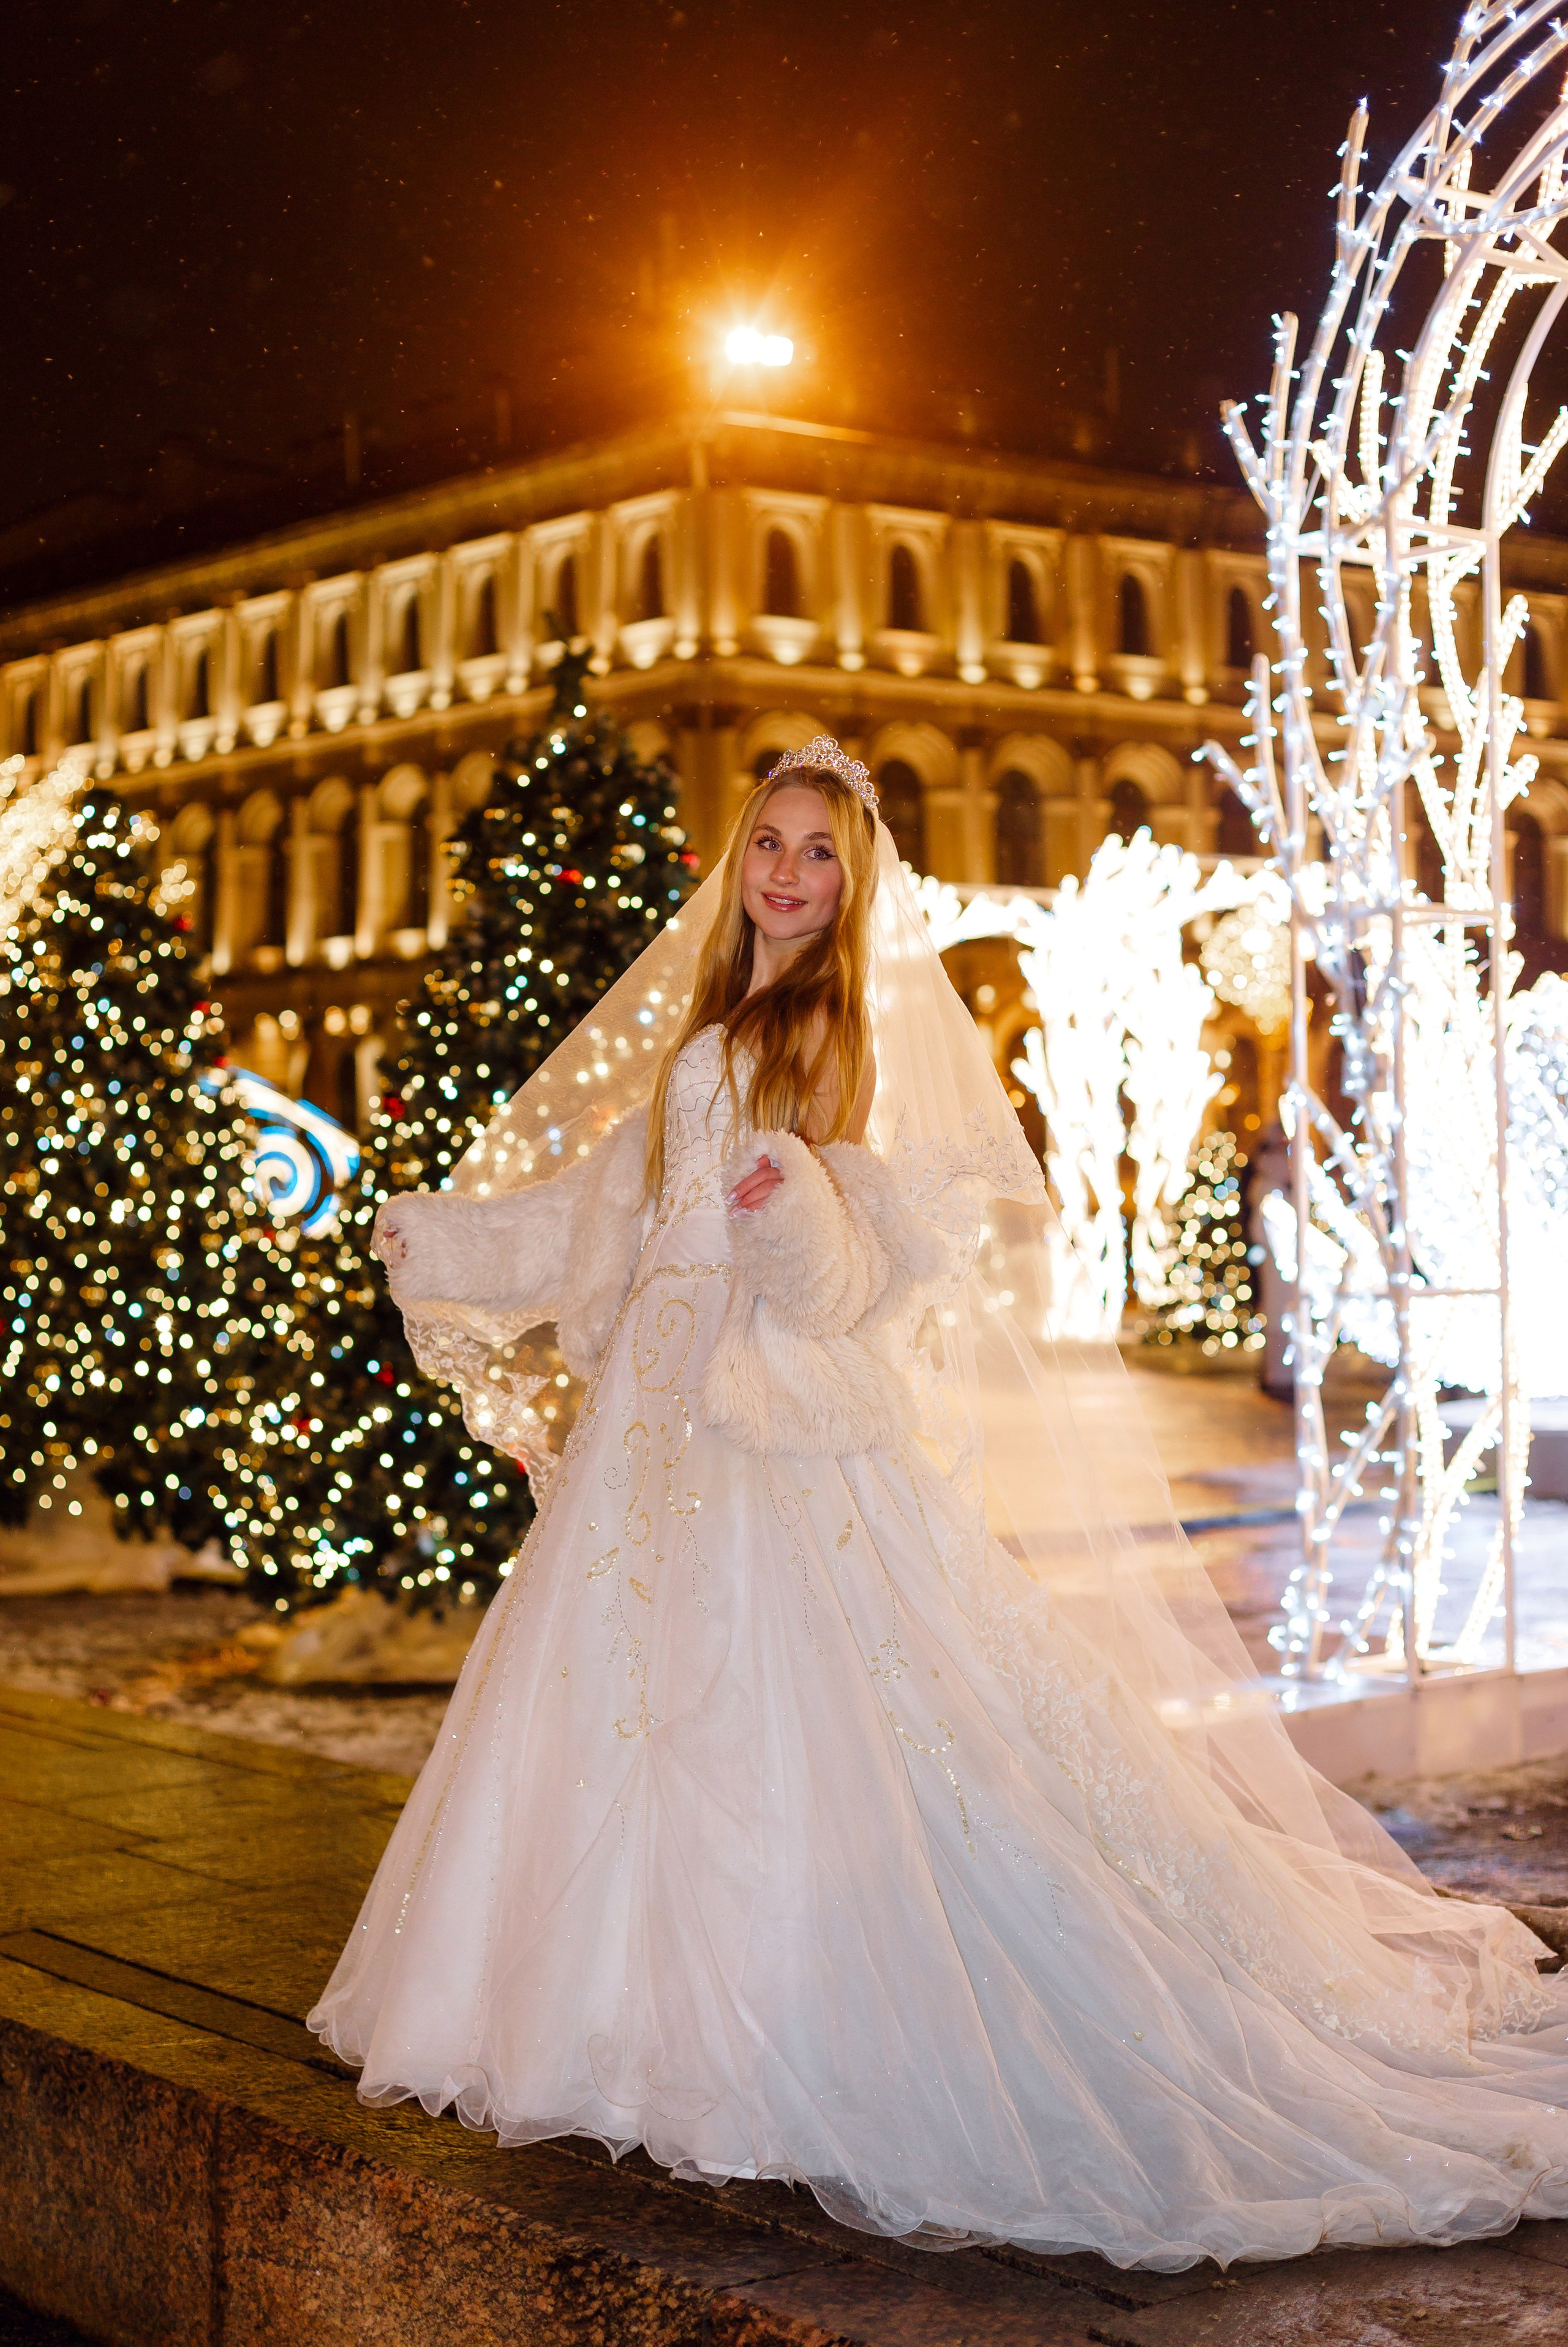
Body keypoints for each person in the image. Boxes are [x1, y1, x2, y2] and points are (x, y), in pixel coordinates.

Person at [310, 740, 1568, 2272]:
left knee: (770, 1720)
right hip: (660, 1417)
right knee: (631, 1707)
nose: (783, 871)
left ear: (854, 883)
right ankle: (604, 2016)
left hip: (758, 1431)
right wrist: (464, 1244)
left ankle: (734, 2029)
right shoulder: (715, 1017)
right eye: (767, 842)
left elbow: (849, 1282)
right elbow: (617, 1213)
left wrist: (786, 1219)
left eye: (817, 852)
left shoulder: (828, 1031)